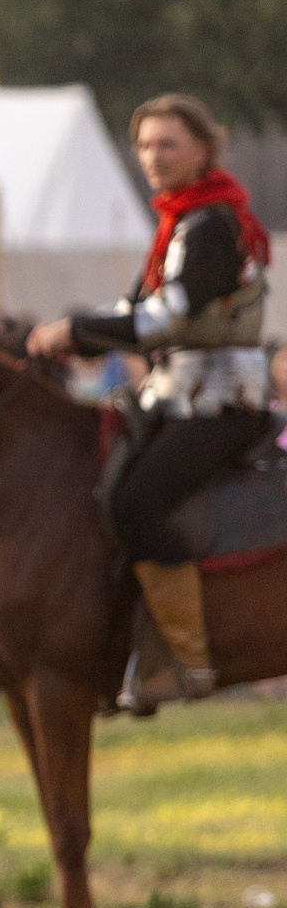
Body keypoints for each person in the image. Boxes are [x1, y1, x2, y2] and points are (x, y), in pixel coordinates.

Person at [30, 94, 272, 709]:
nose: (153, 157)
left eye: (168, 144)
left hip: (219, 404)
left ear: (202, 150)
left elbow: (163, 318)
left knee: (133, 501)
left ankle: (186, 661)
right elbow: (142, 316)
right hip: (174, 395)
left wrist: (77, 330)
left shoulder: (211, 223)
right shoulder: (178, 220)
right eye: (144, 145)